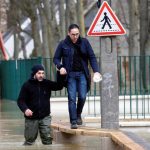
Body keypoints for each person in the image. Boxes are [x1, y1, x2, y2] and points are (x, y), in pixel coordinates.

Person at [53, 24, 102, 129]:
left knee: (82, 96)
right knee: (71, 98)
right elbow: (56, 58)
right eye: (73, 34)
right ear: (68, 33)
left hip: (82, 74)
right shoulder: (63, 44)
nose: (75, 36)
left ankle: (78, 114)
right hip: (70, 75)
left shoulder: (85, 42)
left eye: (77, 34)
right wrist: (60, 66)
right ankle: (73, 121)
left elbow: (92, 57)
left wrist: (96, 71)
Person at [17, 64, 64, 145]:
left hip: (45, 116)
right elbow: (20, 100)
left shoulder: (47, 83)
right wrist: (25, 109)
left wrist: (60, 73)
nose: (41, 75)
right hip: (31, 117)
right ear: (34, 74)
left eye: (42, 73)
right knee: (29, 141)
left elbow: (59, 86)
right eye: (39, 73)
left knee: (47, 140)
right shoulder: (27, 85)